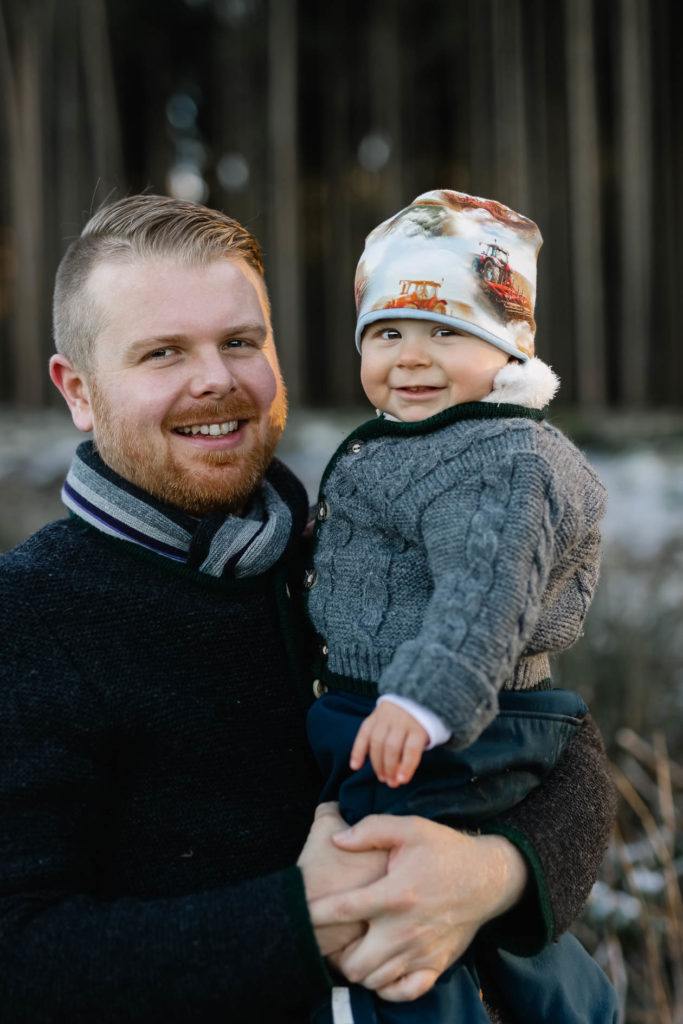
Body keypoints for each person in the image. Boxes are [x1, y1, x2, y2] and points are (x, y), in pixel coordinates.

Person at [0, 194, 616, 1024]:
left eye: (240, 342)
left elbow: (563, 752)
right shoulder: (30, 615)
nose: (214, 377)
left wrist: (492, 876)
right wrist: (297, 920)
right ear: (77, 389)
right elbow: (20, 952)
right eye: (161, 352)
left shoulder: (334, 556)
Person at [305, 189, 618, 1022]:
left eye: (447, 331)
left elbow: (487, 590)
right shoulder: (433, 442)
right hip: (418, 713)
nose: (411, 356)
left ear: (510, 346)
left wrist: (424, 695)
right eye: (387, 332)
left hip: (446, 723)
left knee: (395, 906)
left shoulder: (501, 458)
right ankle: (568, 1008)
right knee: (477, 929)